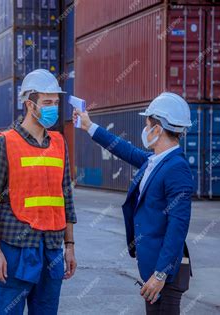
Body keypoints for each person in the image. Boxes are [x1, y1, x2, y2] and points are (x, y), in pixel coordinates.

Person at [74, 92, 194, 315]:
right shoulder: (154, 160)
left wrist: (161, 274)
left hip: (165, 273)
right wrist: (89, 126)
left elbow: (178, 226)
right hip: (152, 267)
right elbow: (123, 149)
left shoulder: (177, 168)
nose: (145, 129)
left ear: (158, 129)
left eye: (148, 124)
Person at [0, 69, 77, 315]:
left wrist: (70, 245)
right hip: (15, 249)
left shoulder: (59, 143)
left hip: (51, 249)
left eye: (56, 102)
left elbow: (66, 196)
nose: (53, 108)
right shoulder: (6, 142)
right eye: (47, 102)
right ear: (29, 105)